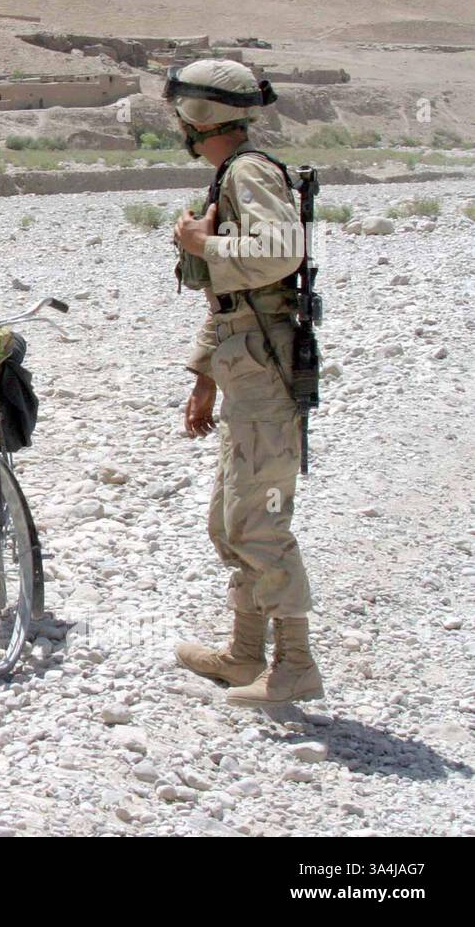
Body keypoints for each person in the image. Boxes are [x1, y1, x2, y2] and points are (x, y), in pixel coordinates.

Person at [167, 59, 324, 706]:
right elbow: (230, 303)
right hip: (242, 371)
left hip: (264, 373)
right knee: (228, 521)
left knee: (258, 522)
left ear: (199, 116)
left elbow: (280, 251)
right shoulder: (228, 177)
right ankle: (244, 654)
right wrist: (203, 375)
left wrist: (203, 249)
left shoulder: (250, 173)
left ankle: (294, 666)